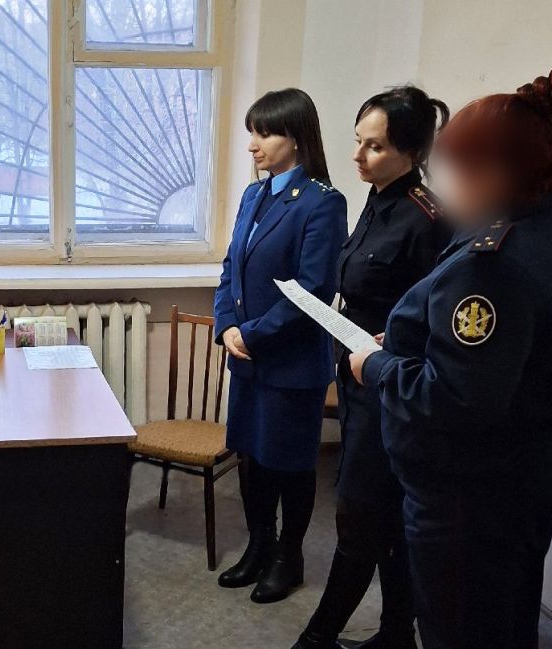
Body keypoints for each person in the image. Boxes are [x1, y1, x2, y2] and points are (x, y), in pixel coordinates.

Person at [348, 67, 552, 648]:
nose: (449, 186)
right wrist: (411, 345)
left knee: (460, 629)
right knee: (507, 618)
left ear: (493, 172)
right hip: (530, 471)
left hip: (471, 495)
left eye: (456, 169)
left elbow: (454, 399)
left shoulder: (492, 264)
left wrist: (378, 365)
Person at [293, 86, 452, 649]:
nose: (358, 156)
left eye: (375, 146)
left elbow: (437, 317)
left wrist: (395, 344)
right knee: (384, 517)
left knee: (360, 516)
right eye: (358, 141)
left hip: (391, 390)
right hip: (357, 376)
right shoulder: (377, 198)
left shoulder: (428, 220)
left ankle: (318, 637)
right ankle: (395, 633)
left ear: (413, 152)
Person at [214, 88, 347, 604]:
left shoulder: (322, 201)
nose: (253, 145)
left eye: (264, 133)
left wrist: (251, 333)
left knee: (289, 463)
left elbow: (313, 290)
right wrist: (227, 325)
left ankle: (288, 558)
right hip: (247, 358)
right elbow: (231, 267)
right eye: (253, 132)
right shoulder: (255, 195)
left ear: (296, 137)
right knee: (252, 456)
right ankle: (258, 546)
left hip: (290, 362)